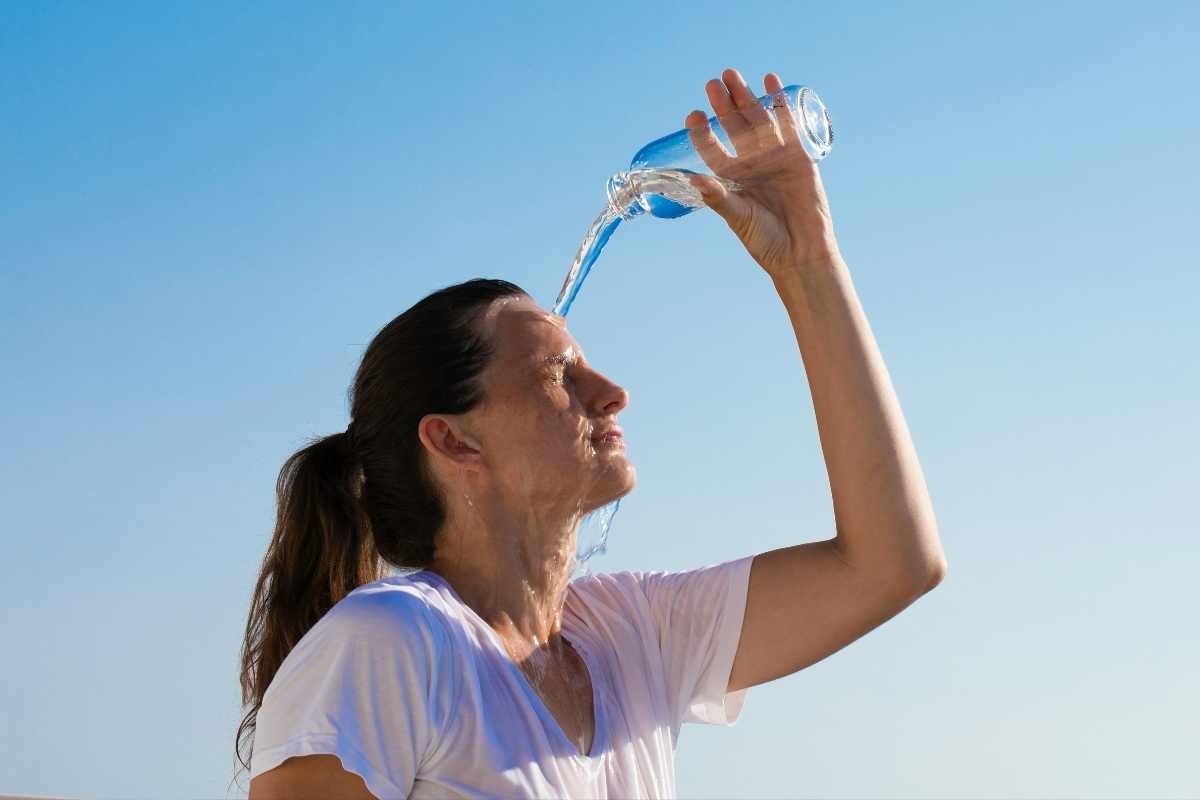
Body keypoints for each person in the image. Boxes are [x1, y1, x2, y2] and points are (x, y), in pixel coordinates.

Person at [238, 67, 947, 799]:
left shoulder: (630, 636)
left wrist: (808, 263)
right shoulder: (392, 642)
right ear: (454, 441)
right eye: (558, 375)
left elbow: (892, 564)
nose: (612, 394)